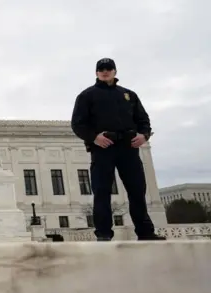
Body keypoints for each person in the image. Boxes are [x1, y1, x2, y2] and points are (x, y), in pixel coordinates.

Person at [71, 58, 165, 241]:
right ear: (96, 72)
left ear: (115, 71)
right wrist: (94, 138)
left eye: (108, 68)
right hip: (104, 147)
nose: (105, 71)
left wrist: (144, 135)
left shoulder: (129, 95)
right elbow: (77, 124)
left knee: (137, 189)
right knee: (102, 191)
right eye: (101, 69)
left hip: (128, 147)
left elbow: (143, 119)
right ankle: (104, 234)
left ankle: (145, 232)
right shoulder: (87, 96)